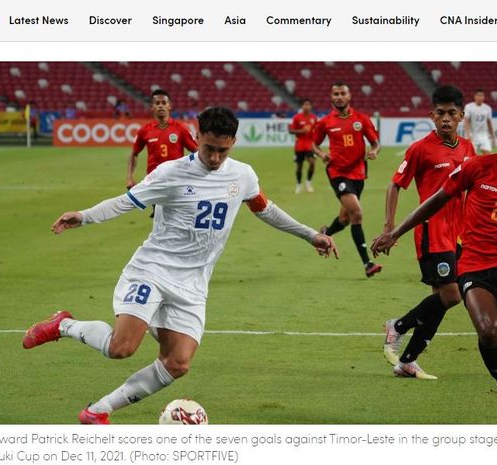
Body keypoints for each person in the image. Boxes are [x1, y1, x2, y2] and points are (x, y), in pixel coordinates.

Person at [22, 107, 338, 424]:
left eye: (223, 151)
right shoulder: (170, 172)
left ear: (234, 142)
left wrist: (310, 235)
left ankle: (98, 410)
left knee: (177, 363)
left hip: (192, 285)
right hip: (152, 271)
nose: (215, 158)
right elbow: (126, 202)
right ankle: (63, 325)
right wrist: (84, 216)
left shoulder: (242, 175)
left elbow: (265, 209)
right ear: (196, 136)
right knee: (121, 348)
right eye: (209, 148)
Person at [371, 113, 497, 423]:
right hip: (476, 265)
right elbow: (437, 199)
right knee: (488, 331)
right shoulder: (480, 167)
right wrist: (394, 232)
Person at [381, 85, 476, 379]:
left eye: (451, 113)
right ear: (431, 116)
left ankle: (407, 361)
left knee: (441, 303)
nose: (445, 118)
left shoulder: (468, 149)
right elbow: (395, 184)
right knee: (453, 295)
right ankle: (397, 326)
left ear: (461, 115)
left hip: (459, 233)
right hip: (432, 232)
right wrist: (389, 228)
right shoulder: (420, 148)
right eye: (440, 113)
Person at [313, 82, 382, 277]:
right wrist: (321, 154)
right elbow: (314, 145)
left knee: (344, 218)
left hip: (359, 173)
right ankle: (368, 263)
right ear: (331, 97)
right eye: (335, 94)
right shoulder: (325, 122)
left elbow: (375, 143)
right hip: (337, 172)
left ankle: (324, 234)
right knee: (357, 214)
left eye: (342, 93)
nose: (339, 97)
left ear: (349, 96)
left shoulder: (362, 119)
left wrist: (374, 151)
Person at [126, 89, 198, 189]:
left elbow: (197, 151)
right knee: (157, 205)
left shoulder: (181, 129)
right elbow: (134, 153)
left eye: (164, 103)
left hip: (176, 179)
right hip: (154, 180)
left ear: (169, 106)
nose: (160, 105)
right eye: (157, 103)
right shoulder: (144, 130)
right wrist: (129, 177)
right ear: (152, 107)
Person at [288, 98, 318, 193]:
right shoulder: (297, 117)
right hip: (300, 146)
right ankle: (299, 184)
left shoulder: (313, 118)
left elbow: (316, 131)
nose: (307, 106)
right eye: (305, 104)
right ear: (302, 106)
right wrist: (302, 131)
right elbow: (291, 130)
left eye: (308, 105)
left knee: (312, 163)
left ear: (311, 106)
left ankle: (308, 182)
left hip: (310, 145)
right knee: (299, 166)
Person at [463, 89, 496, 154]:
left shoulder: (487, 108)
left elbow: (489, 123)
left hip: (484, 135)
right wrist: (468, 134)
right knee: (471, 156)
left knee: (487, 156)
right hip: (472, 135)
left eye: (482, 95)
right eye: (478, 95)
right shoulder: (469, 107)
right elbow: (466, 121)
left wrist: (493, 137)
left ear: (484, 97)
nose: (480, 97)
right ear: (474, 96)